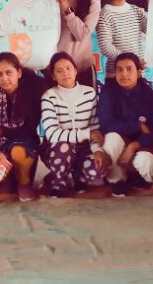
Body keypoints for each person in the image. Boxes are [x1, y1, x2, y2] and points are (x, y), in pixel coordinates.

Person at [97, 53, 153, 197]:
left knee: (143, 161)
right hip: (120, 150)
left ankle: (141, 177)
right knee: (111, 138)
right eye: (120, 69)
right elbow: (106, 124)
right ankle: (118, 180)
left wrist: (134, 145)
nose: (124, 74)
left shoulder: (151, 96)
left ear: (138, 72)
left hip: (145, 148)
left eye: (129, 69)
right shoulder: (108, 93)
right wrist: (137, 126)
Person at [0, 52, 44, 201]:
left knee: (17, 150)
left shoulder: (32, 91)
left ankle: (23, 182)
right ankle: (6, 179)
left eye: (9, 73)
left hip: (23, 141)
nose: (4, 78)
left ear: (19, 73)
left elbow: (28, 129)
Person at [39, 52, 105, 197]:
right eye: (59, 70)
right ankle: (58, 181)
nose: (65, 73)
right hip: (57, 150)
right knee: (63, 147)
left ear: (75, 70)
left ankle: (77, 175)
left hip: (83, 149)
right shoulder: (49, 97)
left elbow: (95, 129)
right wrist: (86, 134)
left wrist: (97, 150)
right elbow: (52, 134)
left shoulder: (89, 93)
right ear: (53, 76)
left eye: (68, 68)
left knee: (98, 169)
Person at [55, 0, 100, 88]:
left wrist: (67, 10)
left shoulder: (92, 5)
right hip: (59, 69)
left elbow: (82, 35)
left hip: (82, 68)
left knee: (87, 100)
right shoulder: (53, 4)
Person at [97, 0, 147, 79]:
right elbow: (105, 46)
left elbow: (152, 30)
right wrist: (130, 62)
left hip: (136, 73)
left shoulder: (136, 10)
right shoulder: (105, 14)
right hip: (117, 75)